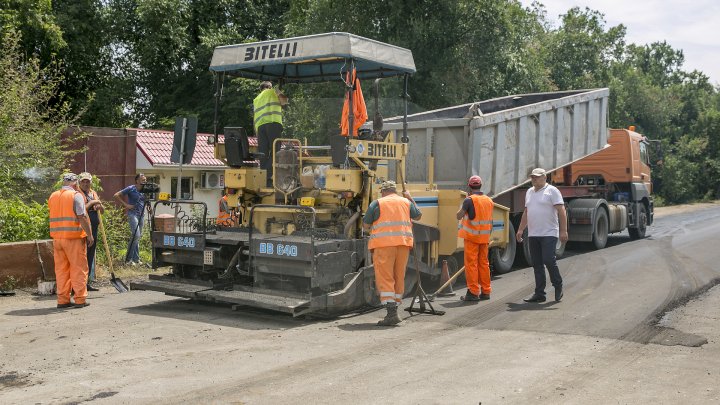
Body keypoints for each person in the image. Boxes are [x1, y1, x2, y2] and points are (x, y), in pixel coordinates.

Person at [362, 180, 422, 326]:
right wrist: (409, 197)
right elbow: (419, 215)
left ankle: (391, 314)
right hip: (403, 244)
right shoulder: (405, 203)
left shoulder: (377, 203)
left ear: (383, 191)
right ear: (395, 191)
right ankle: (395, 310)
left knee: (385, 277)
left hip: (384, 245)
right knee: (398, 276)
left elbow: (365, 224)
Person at [515, 168, 568, 303]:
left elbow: (561, 211)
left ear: (545, 177)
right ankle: (540, 293)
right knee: (537, 263)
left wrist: (563, 230)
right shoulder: (529, 192)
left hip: (549, 232)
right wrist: (521, 229)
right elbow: (526, 212)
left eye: (537, 177)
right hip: (533, 234)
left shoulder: (552, 191)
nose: (534, 179)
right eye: (532, 177)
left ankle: (558, 285)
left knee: (549, 259)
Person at [48, 173, 94, 308]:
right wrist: (89, 235)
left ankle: (63, 300)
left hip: (57, 239)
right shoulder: (76, 195)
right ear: (75, 183)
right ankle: (80, 299)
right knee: (78, 268)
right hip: (73, 238)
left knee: (61, 270)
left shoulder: (53, 195)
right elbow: (82, 216)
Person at [456, 175, 494, 301]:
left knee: (471, 264)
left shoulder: (469, 200)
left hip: (472, 238)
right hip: (484, 238)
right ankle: (486, 291)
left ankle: (473, 292)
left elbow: (458, 216)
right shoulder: (489, 200)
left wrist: (463, 204)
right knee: (484, 264)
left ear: (470, 186)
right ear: (481, 185)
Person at [254, 81, 286, 186]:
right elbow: (284, 102)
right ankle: (268, 176)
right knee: (275, 151)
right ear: (269, 87)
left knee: (263, 154)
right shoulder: (272, 91)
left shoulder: (257, 99)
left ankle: (265, 179)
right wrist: (277, 90)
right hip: (273, 123)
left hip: (260, 127)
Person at [114, 173, 148, 265]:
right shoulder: (131, 188)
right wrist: (126, 205)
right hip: (132, 214)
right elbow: (116, 195)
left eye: (145, 180)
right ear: (137, 180)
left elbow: (146, 201)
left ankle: (136, 259)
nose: (144, 181)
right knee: (136, 235)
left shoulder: (145, 190)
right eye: (142, 180)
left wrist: (150, 209)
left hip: (141, 215)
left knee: (137, 237)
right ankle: (128, 260)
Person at [78, 172, 104, 291]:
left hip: (94, 228)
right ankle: (79, 284)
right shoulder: (77, 194)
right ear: (79, 182)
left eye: (87, 181)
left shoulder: (93, 193)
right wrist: (93, 203)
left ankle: (86, 282)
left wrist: (100, 207)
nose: (85, 183)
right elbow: (82, 210)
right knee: (82, 257)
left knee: (90, 256)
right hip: (83, 229)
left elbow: (101, 209)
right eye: (83, 181)